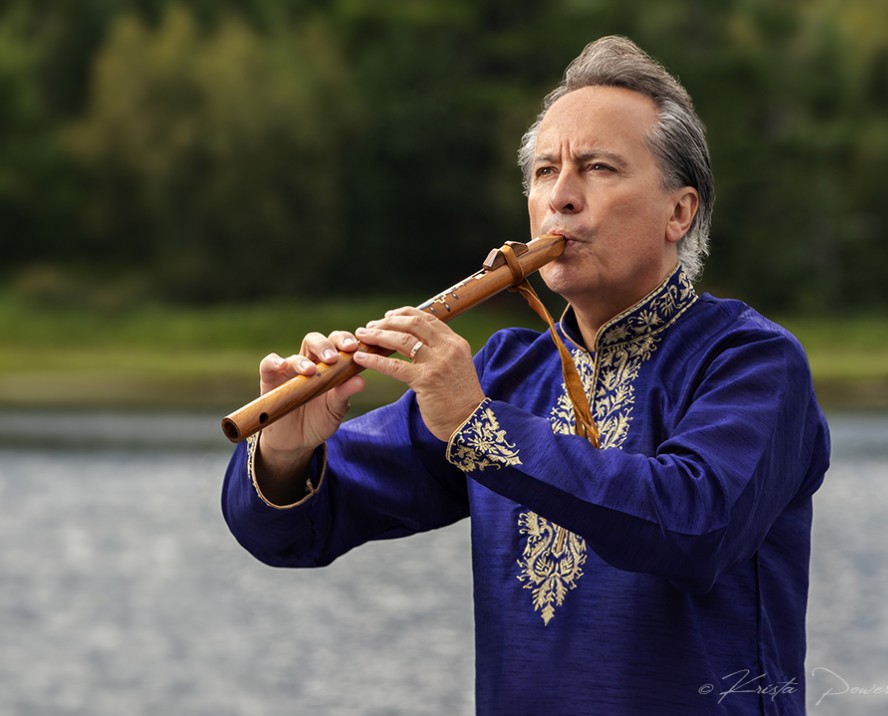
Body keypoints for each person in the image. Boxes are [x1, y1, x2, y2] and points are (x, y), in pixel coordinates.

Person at [222, 35, 830, 715]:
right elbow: (293, 533)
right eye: (545, 172)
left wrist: (477, 425)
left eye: (598, 168)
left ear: (678, 211)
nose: (561, 198)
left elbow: (695, 528)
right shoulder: (509, 370)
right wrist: (287, 448)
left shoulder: (750, 361)